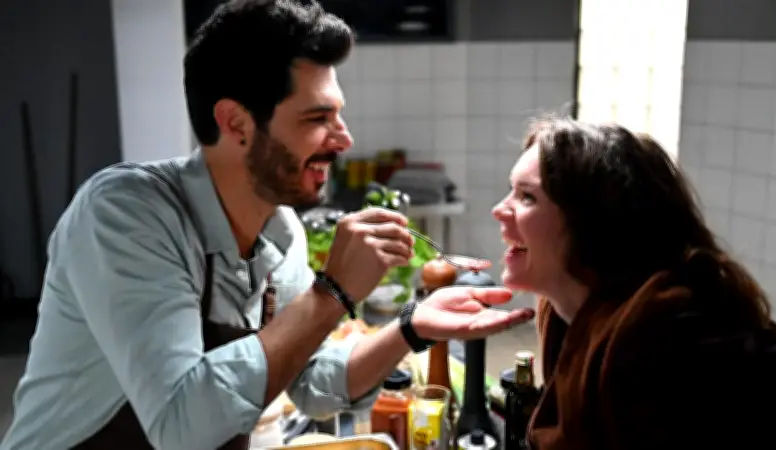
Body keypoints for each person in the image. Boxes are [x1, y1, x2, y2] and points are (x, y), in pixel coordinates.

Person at [0, 2, 535, 449]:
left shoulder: (281, 233)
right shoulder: (125, 214)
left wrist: (411, 328)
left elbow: (315, 383)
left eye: (337, 115)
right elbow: (181, 425)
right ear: (236, 122)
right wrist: (332, 292)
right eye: (317, 118)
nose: (344, 139)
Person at [492, 116, 776, 450]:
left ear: (592, 223)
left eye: (527, 197)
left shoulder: (666, 342)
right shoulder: (570, 314)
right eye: (511, 191)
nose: (499, 210)